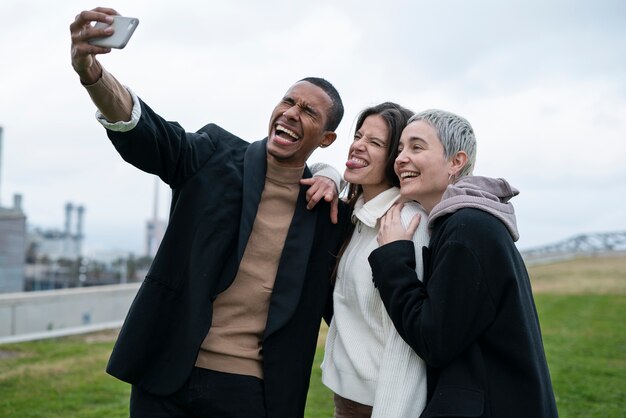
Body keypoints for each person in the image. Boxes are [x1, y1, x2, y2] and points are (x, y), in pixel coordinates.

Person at [70, 7, 350, 418]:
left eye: (308, 112)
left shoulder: (323, 211)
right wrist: (91, 74)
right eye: (287, 101)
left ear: (326, 138)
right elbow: (149, 130)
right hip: (166, 374)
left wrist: (335, 177)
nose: (291, 112)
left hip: (247, 390)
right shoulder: (215, 153)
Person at [369, 109, 559, 417]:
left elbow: (434, 339)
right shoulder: (464, 224)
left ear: (456, 162)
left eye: (416, 147)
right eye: (401, 148)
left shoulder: (467, 230)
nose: (401, 158)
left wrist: (393, 258)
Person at [321, 102, 428, 417]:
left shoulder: (408, 224)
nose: (358, 146)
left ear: (396, 159)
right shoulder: (360, 216)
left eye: (375, 142)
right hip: (347, 398)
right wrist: (330, 175)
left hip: (376, 404)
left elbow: (406, 340)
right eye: (358, 135)